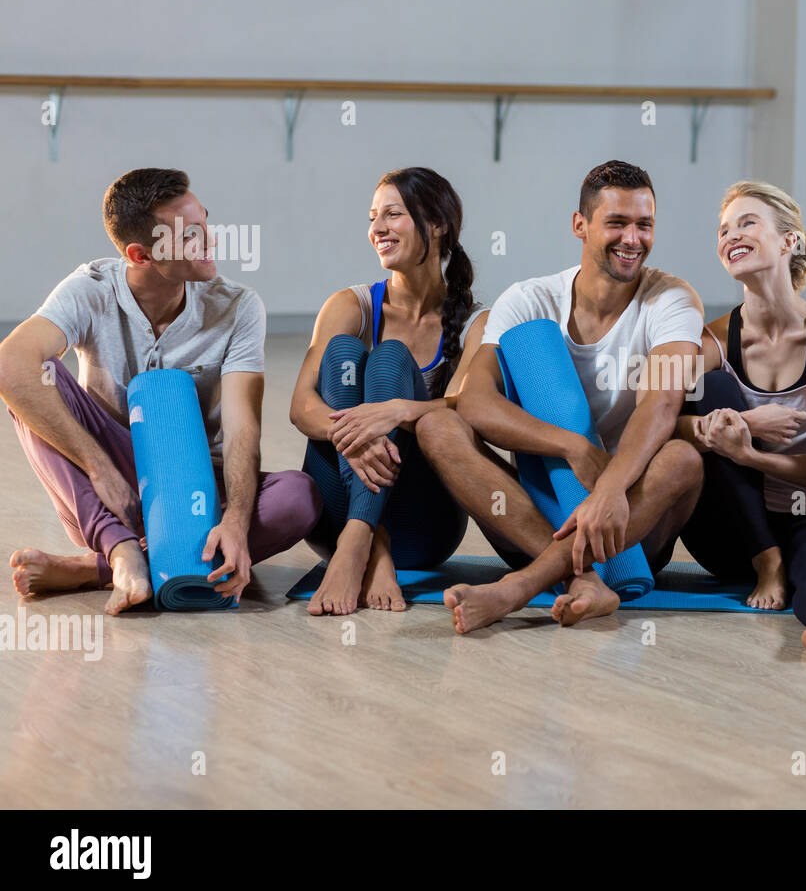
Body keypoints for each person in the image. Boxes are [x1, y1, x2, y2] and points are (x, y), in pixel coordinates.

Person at [1, 167, 321, 614]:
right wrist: (99, 469)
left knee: (299, 497)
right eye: (189, 236)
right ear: (141, 255)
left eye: (205, 222)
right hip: (110, 497)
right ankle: (119, 548)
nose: (211, 240)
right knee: (36, 373)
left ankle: (94, 569)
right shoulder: (91, 289)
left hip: (197, 490)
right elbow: (9, 365)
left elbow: (242, 429)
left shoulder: (238, 306)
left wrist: (234, 519)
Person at [414, 160, 705, 633]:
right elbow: (475, 402)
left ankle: (523, 586)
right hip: (534, 521)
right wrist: (573, 447)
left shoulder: (671, 299)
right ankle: (584, 580)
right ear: (580, 225)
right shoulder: (529, 299)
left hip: (627, 527)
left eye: (644, 225)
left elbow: (662, 403)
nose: (633, 239)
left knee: (683, 459)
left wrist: (609, 490)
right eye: (617, 223)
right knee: (437, 425)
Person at [676, 181, 806, 649]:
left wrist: (748, 453)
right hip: (730, 531)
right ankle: (767, 561)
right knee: (716, 389)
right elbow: (659, 422)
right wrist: (742, 423)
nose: (731, 236)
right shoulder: (712, 341)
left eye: (747, 223)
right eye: (724, 230)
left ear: (790, 241)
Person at [290, 168, 488, 616]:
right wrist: (356, 434)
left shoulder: (477, 322)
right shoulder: (350, 305)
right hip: (335, 521)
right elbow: (301, 407)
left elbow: (467, 411)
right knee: (343, 350)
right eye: (372, 217)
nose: (377, 228)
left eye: (392, 214)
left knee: (390, 358)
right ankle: (368, 542)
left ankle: (366, 540)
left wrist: (397, 411)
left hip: (423, 527)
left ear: (437, 225)